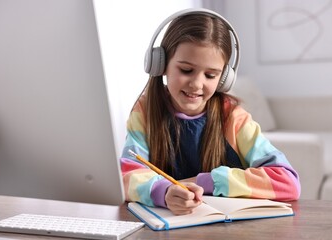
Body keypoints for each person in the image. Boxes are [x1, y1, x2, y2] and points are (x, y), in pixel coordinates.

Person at [120, 8, 301, 215]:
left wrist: (207, 181)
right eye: (186, 70)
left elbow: (287, 182)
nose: (197, 84)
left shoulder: (233, 117)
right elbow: (126, 176)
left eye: (210, 75)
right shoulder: (144, 111)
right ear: (160, 63)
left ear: (224, 79)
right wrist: (165, 191)